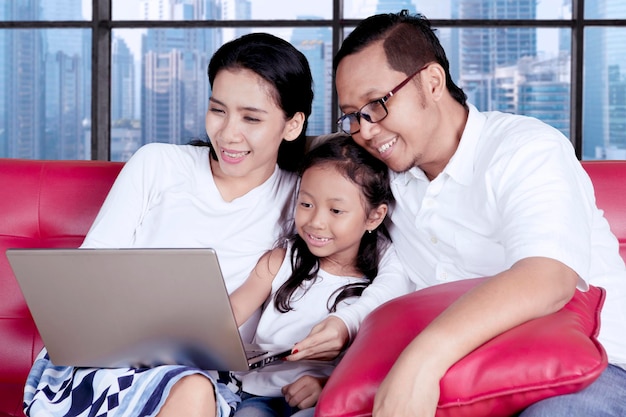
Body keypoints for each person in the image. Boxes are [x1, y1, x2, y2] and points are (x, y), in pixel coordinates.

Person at [291, 9, 626, 417]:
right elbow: (290, 147)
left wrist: (421, 359)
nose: (366, 129)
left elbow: (548, 278)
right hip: (461, 376)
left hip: (586, 365)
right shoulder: (383, 176)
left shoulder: (526, 149)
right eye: (353, 116)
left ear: (432, 83)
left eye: (377, 104)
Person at [23, 32, 314, 417]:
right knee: (190, 389)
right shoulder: (157, 164)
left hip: (211, 380)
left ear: (292, 125)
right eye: (218, 110)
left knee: (193, 388)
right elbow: (87, 278)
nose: (228, 133)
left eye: (251, 118)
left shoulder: (302, 199)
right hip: (107, 362)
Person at [227, 134, 400, 417]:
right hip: (257, 395)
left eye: (336, 210)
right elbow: (232, 311)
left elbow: (377, 364)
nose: (316, 222)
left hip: (325, 398)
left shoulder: (377, 288)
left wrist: (326, 384)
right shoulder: (280, 261)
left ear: (374, 216)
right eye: (306, 204)